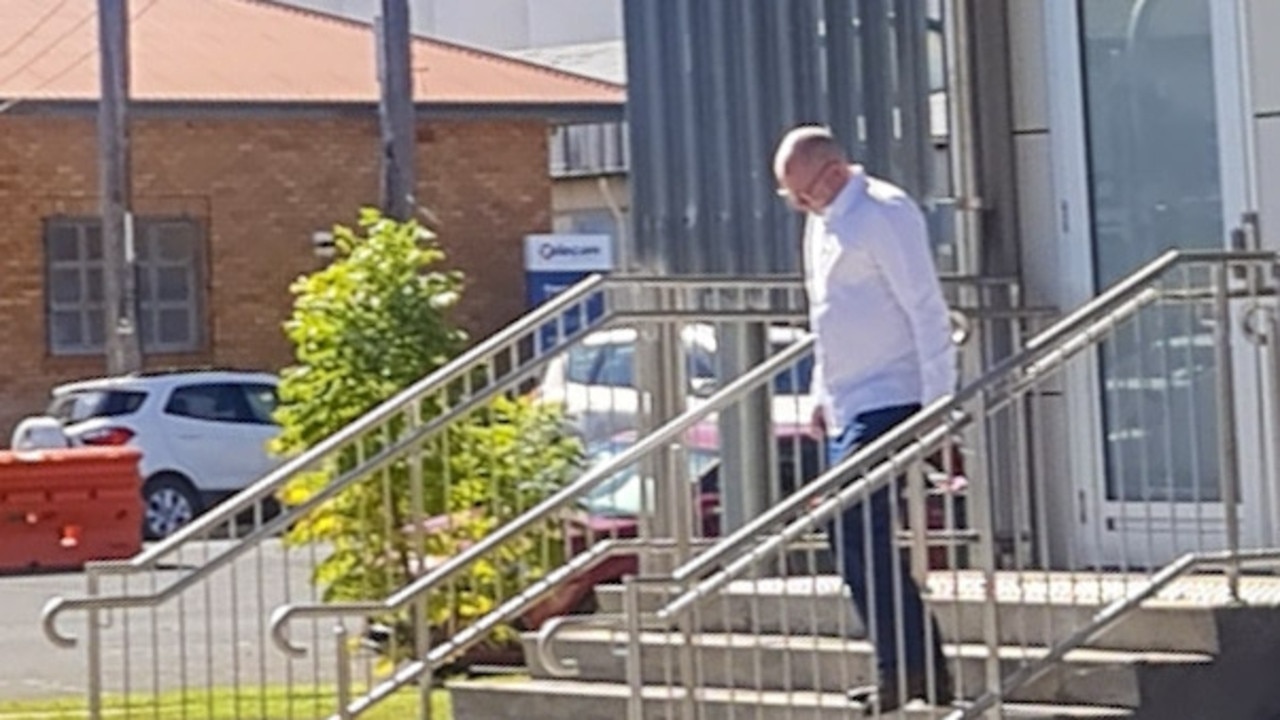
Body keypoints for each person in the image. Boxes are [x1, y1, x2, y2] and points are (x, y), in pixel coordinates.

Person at [773, 124, 956, 711]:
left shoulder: (883, 212)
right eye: (791, 198)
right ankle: (912, 666)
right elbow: (826, 316)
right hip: (848, 400)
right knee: (850, 533)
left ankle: (905, 669)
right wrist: (818, 396)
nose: (800, 204)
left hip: (892, 393)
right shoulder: (820, 223)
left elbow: (926, 308)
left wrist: (939, 407)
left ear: (833, 171)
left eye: (803, 192)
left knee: (851, 522)